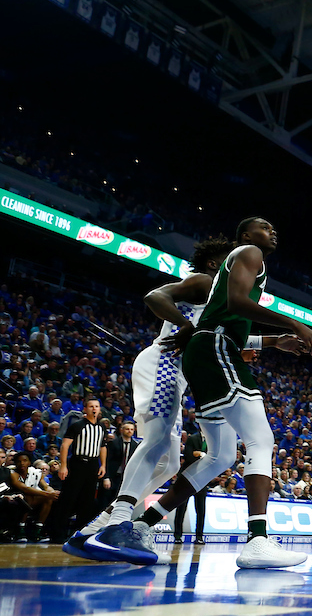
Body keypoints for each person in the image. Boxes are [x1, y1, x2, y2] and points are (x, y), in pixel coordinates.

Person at [90, 217, 312, 568]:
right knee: (260, 440)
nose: (273, 230)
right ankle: (257, 539)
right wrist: (294, 323)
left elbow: (227, 321)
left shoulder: (227, 277)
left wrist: (276, 341)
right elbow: (235, 306)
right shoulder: (249, 253)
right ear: (244, 236)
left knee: (221, 455)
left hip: (202, 354)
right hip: (196, 353)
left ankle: (140, 524)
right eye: (264, 226)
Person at [63, 237, 238, 560]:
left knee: (170, 460)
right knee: (156, 441)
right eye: (231, 259)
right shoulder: (203, 281)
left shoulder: (220, 299)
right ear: (215, 263)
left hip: (178, 376)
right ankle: (118, 523)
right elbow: (154, 295)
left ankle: (90, 532)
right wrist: (185, 325)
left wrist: (278, 340)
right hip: (162, 364)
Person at [50, 397, 106, 542]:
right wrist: (63, 466)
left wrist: (103, 465)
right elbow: (65, 446)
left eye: (97, 406)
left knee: (87, 501)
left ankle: (81, 534)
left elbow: (103, 447)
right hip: (77, 463)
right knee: (68, 498)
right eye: (91, 406)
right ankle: (57, 534)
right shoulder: (77, 425)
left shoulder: (101, 427)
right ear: (85, 409)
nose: (94, 409)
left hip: (93, 464)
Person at [8, 452, 58, 540]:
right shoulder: (12, 473)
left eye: (24, 461)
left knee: (48, 499)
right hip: (14, 500)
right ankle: (20, 529)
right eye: (19, 461)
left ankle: (38, 529)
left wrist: (52, 492)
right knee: (28, 496)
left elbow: (45, 486)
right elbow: (25, 489)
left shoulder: (36, 472)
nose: (22, 463)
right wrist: (48, 494)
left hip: (31, 499)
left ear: (29, 462)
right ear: (15, 463)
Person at [174, 430, 209, 544]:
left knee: (201, 509)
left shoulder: (213, 441)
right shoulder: (192, 438)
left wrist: (198, 454)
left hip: (202, 478)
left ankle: (199, 536)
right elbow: (188, 456)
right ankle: (178, 535)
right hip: (188, 476)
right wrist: (199, 455)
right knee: (181, 507)